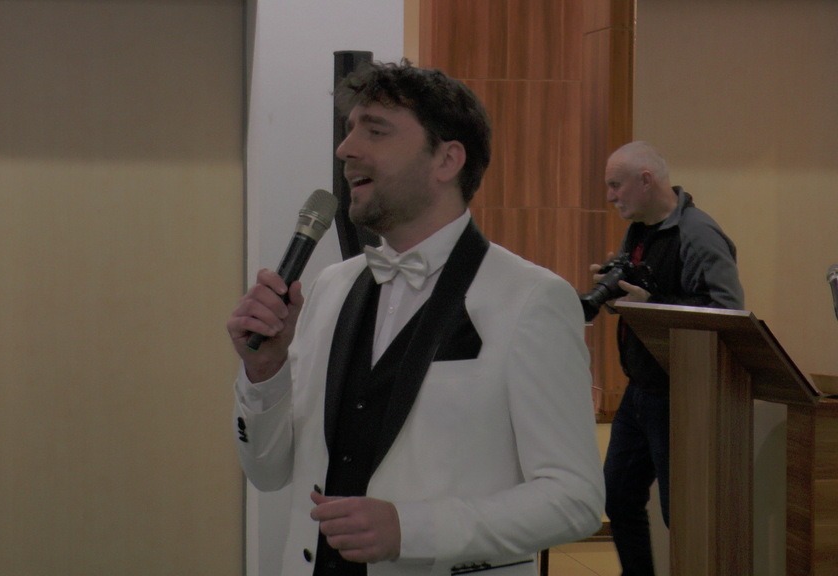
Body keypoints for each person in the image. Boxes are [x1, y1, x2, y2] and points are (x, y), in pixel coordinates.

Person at [227, 60, 604, 576]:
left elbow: (575, 499)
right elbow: (268, 473)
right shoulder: (331, 288)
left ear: (447, 160)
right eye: (349, 130)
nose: (345, 149)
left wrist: (414, 529)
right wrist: (264, 372)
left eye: (375, 130)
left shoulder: (533, 299)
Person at [594, 141, 744, 576]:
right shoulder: (639, 228)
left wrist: (653, 304)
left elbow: (729, 312)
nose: (610, 196)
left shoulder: (698, 233)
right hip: (641, 390)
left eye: (616, 185)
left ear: (646, 180)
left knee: (680, 513)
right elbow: (645, 297)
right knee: (617, 495)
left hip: (680, 394)